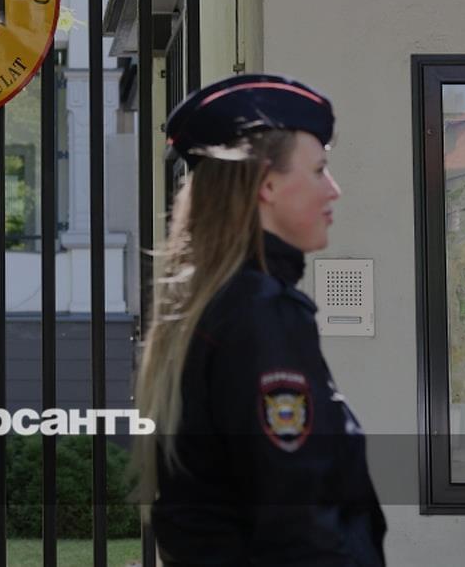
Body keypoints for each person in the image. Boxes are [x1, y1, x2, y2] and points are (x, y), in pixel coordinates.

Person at [133, 73, 387, 566]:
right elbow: (298, 524)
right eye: (319, 171)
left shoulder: (218, 305)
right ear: (266, 185)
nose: (334, 190)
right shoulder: (260, 314)